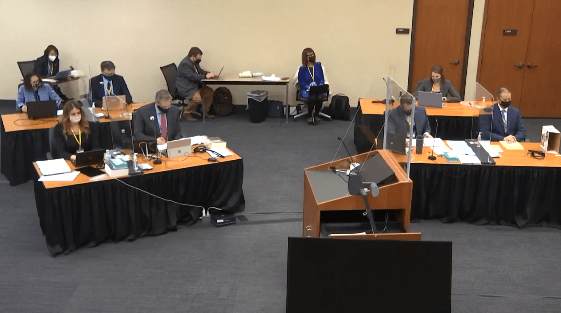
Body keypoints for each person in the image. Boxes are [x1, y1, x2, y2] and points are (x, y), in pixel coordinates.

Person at [176, 47, 216, 121]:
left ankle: (204, 112)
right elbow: (193, 77)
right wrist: (205, 76)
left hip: (194, 85)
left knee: (209, 92)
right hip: (186, 87)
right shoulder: (185, 64)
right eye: (198, 58)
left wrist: (208, 73)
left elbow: (200, 71)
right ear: (193, 56)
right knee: (197, 99)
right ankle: (187, 113)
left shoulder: (194, 62)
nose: (199, 60)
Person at [295, 48, 329, 123]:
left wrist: (319, 85)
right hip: (307, 89)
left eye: (312, 54)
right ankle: (310, 115)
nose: (311, 56)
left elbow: (322, 79)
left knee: (320, 97)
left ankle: (316, 115)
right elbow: (301, 81)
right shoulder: (302, 69)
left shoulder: (318, 66)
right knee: (312, 97)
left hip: (318, 88)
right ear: (305, 57)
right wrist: (308, 87)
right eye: (309, 55)